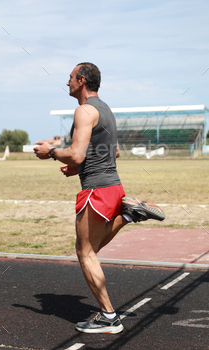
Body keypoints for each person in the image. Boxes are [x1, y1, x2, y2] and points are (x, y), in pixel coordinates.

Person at [34, 62, 165, 334]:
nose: (67, 82)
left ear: (82, 80)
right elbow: (113, 152)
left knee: (84, 253)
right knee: (91, 249)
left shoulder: (83, 111)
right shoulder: (106, 110)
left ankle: (109, 317)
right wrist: (76, 168)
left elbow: (78, 153)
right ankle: (129, 213)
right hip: (114, 187)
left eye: (70, 78)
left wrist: (52, 151)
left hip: (96, 189)